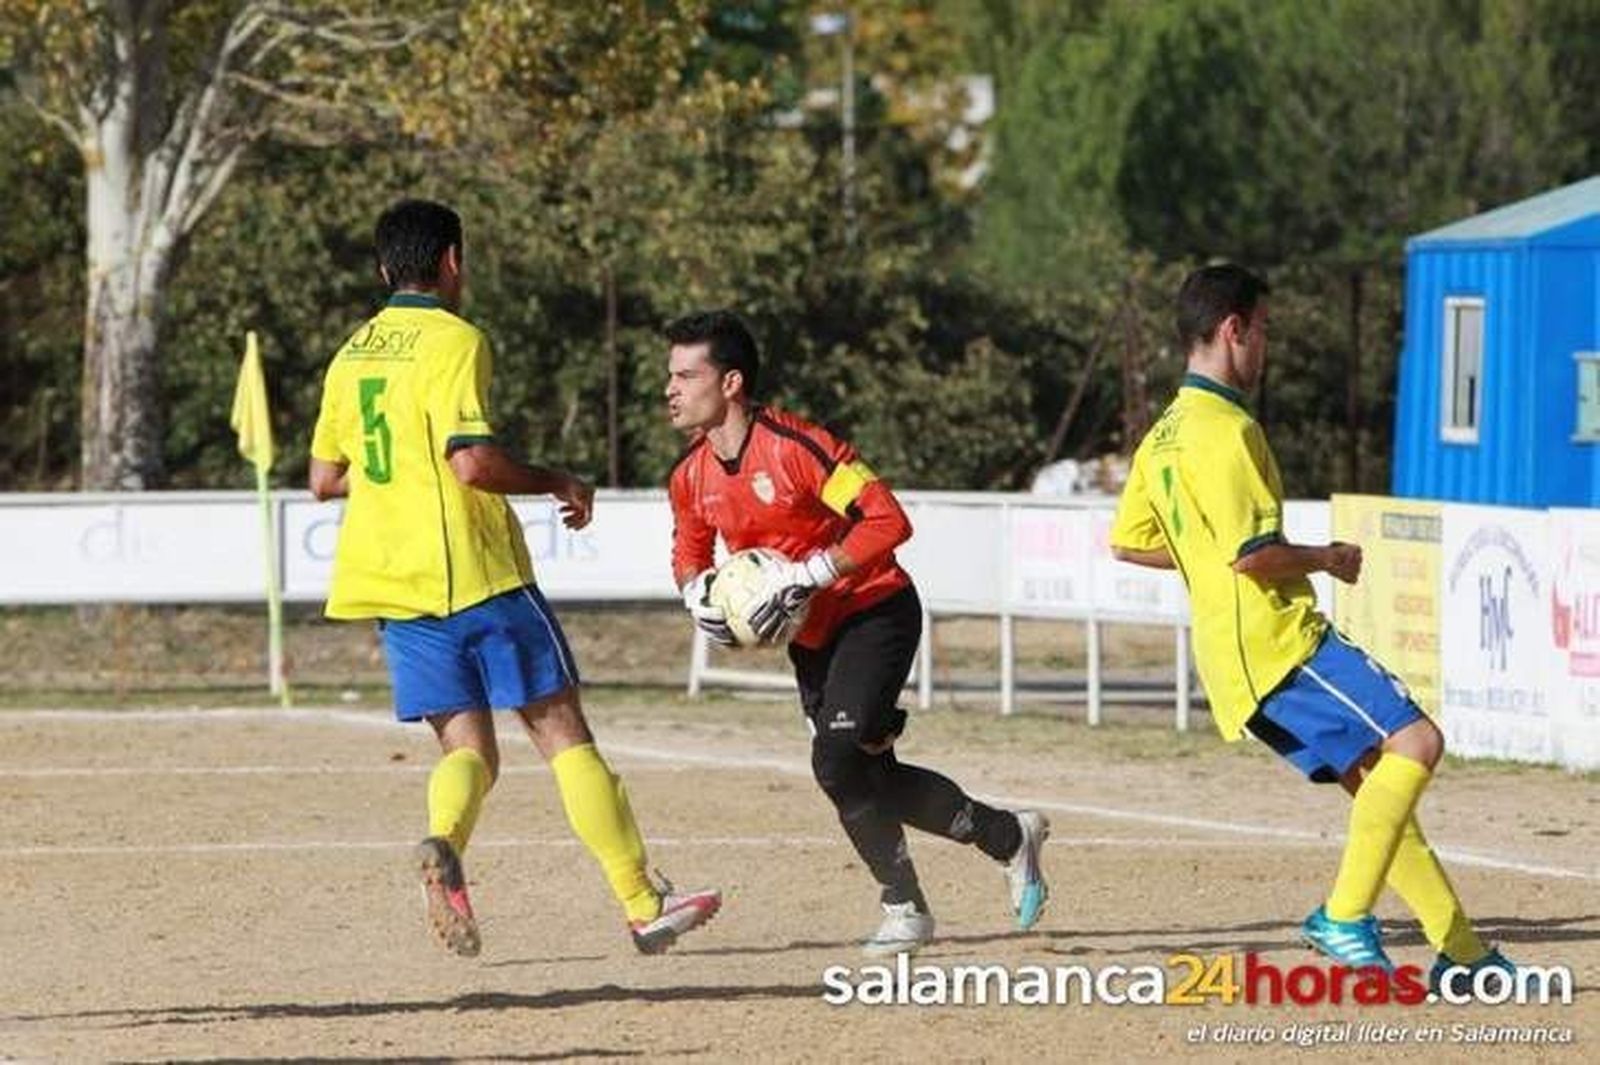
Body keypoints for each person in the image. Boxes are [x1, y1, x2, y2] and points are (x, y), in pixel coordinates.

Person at [308, 199, 719, 958]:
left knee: (468, 751)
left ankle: (443, 842)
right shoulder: (457, 340)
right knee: (562, 734)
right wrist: (559, 479)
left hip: (392, 582)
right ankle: (642, 903)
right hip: (476, 571)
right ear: (453, 261)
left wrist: (399, 480)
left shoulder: (350, 354)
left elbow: (324, 479)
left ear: (383, 267)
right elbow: (472, 464)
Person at [1110, 263, 1511, 991]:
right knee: (1418, 742)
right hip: (1279, 639)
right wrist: (1328, 557)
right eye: (1264, 329)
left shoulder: (1161, 434)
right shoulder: (1228, 429)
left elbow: (1131, 542)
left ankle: (1463, 951)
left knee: (1378, 785)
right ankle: (1343, 915)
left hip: (1230, 656)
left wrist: (1208, 557)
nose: (1267, 345)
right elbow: (1253, 557)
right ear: (1233, 329)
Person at [661, 309, 1049, 956]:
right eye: (670, 376)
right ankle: (1009, 836)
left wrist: (812, 572)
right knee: (864, 776)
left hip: (874, 609)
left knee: (835, 758)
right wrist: (696, 595)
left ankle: (904, 907)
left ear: (730, 382)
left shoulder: (796, 446)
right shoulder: (689, 476)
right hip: (812, 641)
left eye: (685, 375)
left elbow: (888, 519)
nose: (670, 389)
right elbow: (689, 551)